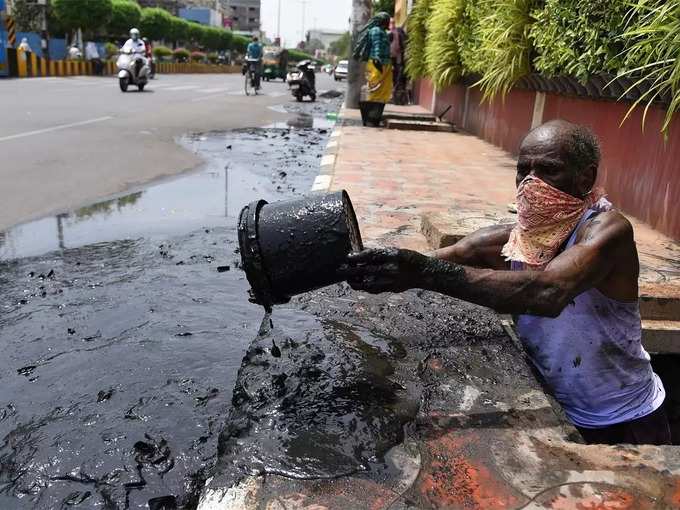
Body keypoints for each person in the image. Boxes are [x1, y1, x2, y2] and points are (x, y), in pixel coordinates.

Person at [341, 120, 671, 446]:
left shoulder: (607, 232)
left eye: (548, 170)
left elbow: (547, 291)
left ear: (586, 177)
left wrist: (421, 273)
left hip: (625, 419)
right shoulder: (513, 240)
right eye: (523, 170)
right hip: (560, 410)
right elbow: (451, 254)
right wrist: (366, 268)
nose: (531, 182)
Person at [352, 12, 392, 104]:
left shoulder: (382, 31)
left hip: (385, 63)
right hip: (376, 62)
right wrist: (377, 57)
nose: (389, 23)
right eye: (387, 21)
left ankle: (378, 107)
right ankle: (372, 108)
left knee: (384, 87)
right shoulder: (376, 31)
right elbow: (376, 44)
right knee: (375, 86)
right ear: (383, 21)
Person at [389, 18, 408, 105]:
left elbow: (402, 46)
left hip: (399, 60)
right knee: (394, 78)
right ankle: (395, 97)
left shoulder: (398, 32)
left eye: (392, 23)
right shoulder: (389, 33)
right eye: (390, 23)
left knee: (399, 78)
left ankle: (398, 98)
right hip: (392, 60)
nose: (391, 25)